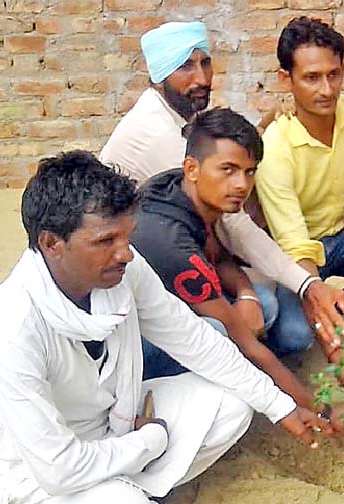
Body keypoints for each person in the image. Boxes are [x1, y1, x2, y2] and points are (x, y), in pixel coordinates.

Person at [0, 151, 330, 503]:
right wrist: (150, 442)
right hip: (45, 479)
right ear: (52, 243)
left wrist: (279, 405)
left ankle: (127, 487)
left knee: (232, 406)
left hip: (118, 422)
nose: (125, 252)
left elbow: (193, 338)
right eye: (105, 241)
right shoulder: (6, 332)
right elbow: (59, 469)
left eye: (126, 235)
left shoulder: (124, 268)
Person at [100, 20, 344, 349]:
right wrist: (307, 285)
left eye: (205, 63)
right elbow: (233, 226)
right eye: (186, 67)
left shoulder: (178, 115)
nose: (202, 78)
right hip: (137, 283)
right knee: (263, 314)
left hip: (194, 253)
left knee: (276, 317)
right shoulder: (156, 131)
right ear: (161, 73)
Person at [131, 107, 331, 416]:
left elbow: (217, 253)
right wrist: (316, 409)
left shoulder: (178, 188)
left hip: (171, 301)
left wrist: (246, 292)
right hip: (130, 347)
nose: (241, 184)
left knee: (262, 304)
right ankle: (174, 403)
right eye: (228, 169)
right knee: (219, 335)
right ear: (192, 168)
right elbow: (247, 344)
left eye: (249, 171)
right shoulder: (172, 243)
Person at [256, 17, 344, 354]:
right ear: (285, 79)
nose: (326, 89)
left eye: (333, 75)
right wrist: (314, 294)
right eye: (311, 78)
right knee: (295, 337)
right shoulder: (275, 148)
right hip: (296, 257)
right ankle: (318, 319)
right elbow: (294, 243)